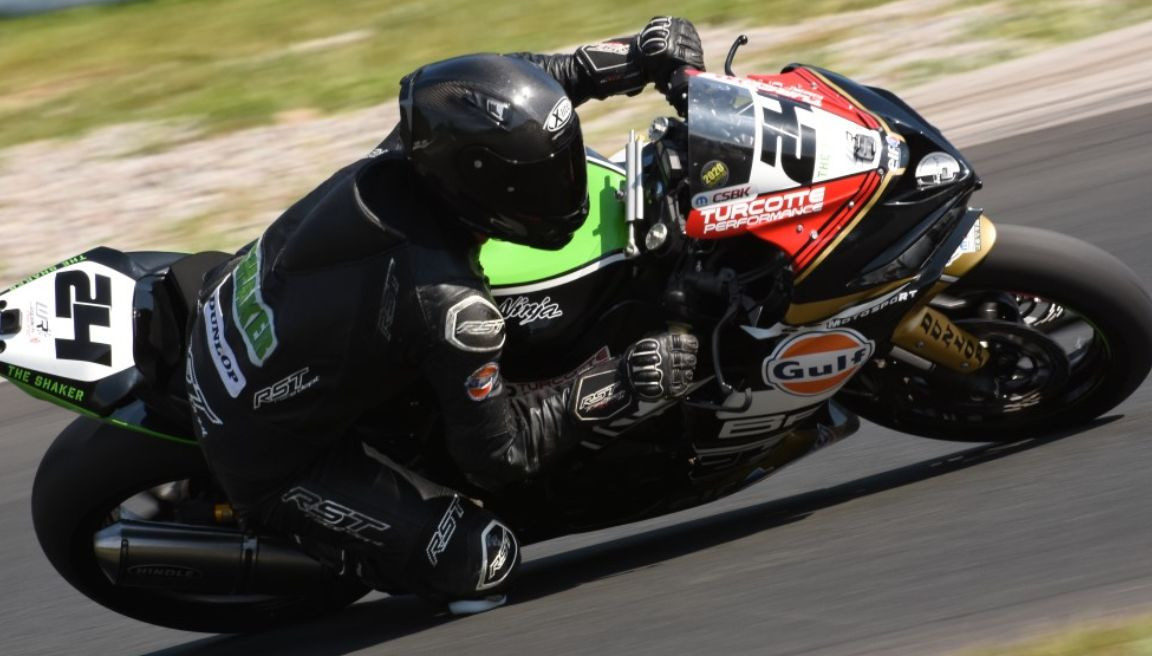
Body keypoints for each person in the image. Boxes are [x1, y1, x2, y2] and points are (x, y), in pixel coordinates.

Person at [184, 16, 705, 614]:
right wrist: (618, 384)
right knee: (485, 560)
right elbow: (499, 457)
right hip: (266, 447)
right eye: (539, 181)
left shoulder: (420, 142)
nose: (564, 185)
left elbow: (518, 87)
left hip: (234, 313)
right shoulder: (450, 307)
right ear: (488, 188)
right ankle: (323, 537)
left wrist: (631, 57)